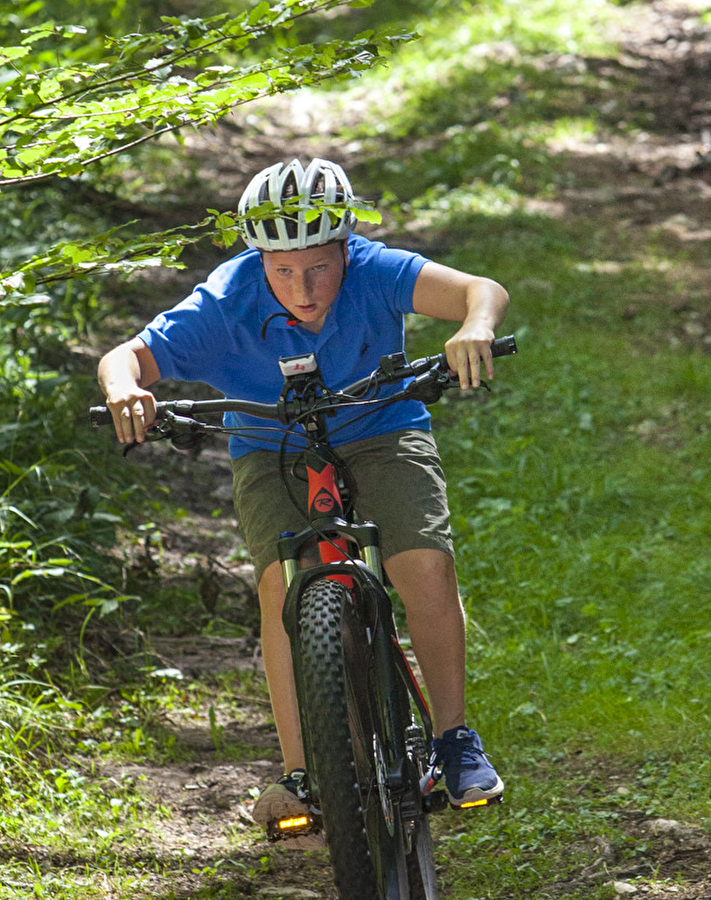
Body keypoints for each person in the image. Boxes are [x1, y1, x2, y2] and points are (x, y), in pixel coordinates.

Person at [98, 158, 508, 840]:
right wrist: (124, 390)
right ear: (258, 260)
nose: (303, 288)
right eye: (282, 270)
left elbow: (480, 291)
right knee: (279, 586)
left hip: (381, 428)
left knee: (424, 565)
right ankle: (301, 772)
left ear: (346, 248)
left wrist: (475, 326)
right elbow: (126, 356)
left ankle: (454, 740)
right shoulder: (227, 297)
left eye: (318, 267)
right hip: (271, 446)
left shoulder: (376, 270)